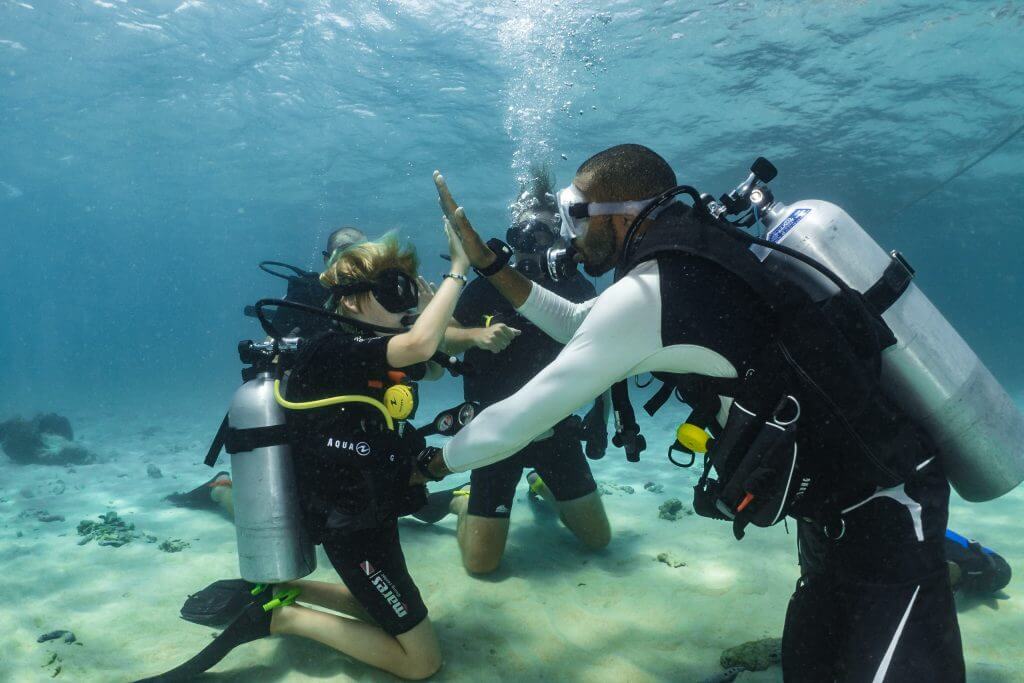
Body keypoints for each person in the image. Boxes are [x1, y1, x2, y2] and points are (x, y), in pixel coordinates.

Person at [419, 146, 966, 682]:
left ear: (621, 211)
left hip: (886, 505)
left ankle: (964, 563)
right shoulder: (689, 258)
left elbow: (516, 420)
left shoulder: (653, 291)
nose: (569, 236)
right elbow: (578, 323)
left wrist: (430, 464)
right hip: (832, 512)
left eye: (575, 215)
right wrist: (491, 266)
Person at [143, 228, 470, 681]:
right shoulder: (330, 349)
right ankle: (281, 618)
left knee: (383, 611)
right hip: (351, 526)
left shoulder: (365, 348)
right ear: (352, 301)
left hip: (370, 512)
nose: (406, 306)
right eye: (393, 293)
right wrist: (458, 272)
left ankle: (286, 590)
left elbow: (432, 361)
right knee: (422, 662)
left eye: (407, 293)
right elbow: (420, 346)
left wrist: (434, 308)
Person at [433, 169, 611, 573]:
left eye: (544, 233)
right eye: (524, 232)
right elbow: (445, 335)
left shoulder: (578, 288)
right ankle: (463, 500)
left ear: (561, 236)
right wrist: (476, 336)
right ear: (513, 233)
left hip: (556, 430)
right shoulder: (486, 284)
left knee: (599, 541)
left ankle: (541, 484)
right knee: (481, 566)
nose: (532, 244)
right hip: (494, 431)